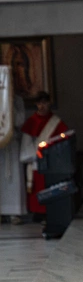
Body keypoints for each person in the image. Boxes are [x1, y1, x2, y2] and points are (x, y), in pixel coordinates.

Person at [19, 92, 68, 217]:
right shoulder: (31, 122)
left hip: (52, 162)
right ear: (36, 104)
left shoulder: (56, 122)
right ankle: (37, 213)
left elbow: (63, 141)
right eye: (39, 103)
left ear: (49, 103)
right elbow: (26, 146)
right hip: (36, 162)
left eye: (45, 103)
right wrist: (37, 154)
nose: (42, 106)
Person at [0, 93, 27, 222]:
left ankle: (14, 212)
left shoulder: (17, 99)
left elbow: (20, 120)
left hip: (12, 142)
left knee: (13, 177)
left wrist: (10, 103)